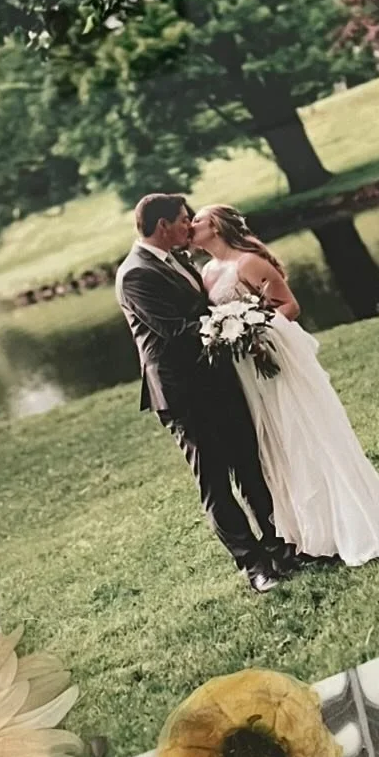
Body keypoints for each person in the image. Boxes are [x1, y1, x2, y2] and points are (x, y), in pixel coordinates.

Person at [191, 204, 379, 569]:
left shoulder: (249, 263)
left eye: (198, 220)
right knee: (276, 442)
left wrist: (252, 325)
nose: (191, 224)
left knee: (301, 434)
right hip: (245, 370)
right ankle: (307, 529)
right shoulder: (207, 271)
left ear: (218, 227)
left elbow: (289, 305)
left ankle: (343, 521)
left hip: (269, 357)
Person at [115, 193, 299, 592]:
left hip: (220, 380)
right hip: (183, 394)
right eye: (184, 220)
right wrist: (234, 321)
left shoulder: (179, 259)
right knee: (216, 481)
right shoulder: (135, 275)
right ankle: (254, 566)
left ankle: (280, 546)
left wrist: (240, 322)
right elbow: (177, 333)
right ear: (163, 226)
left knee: (251, 467)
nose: (189, 226)